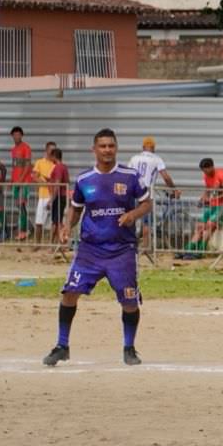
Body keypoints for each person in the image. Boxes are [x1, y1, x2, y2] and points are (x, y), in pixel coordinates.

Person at [43, 129, 151, 366]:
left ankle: (129, 348)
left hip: (122, 250)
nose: (107, 150)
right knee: (70, 293)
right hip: (90, 250)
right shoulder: (85, 179)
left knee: (129, 301)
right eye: (102, 146)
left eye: (111, 146)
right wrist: (66, 226)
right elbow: (76, 208)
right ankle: (62, 346)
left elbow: (146, 203)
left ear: (116, 148)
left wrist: (133, 214)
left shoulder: (130, 176)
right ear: (94, 149)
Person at [127, 137, 180, 252]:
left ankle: (129, 246)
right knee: (147, 221)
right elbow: (166, 177)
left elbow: (128, 175)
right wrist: (174, 189)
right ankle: (146, 248)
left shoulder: (134, 158)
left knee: (131, 217)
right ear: (153, 148)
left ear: (143, 147)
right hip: (147, 192)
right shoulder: (156, 159)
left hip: (133, 191)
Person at [184, 157, 223, 254]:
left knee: (210, 225)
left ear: (211, 167)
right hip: (212, 206)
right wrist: (203, 199)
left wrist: (215, 198)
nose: (205, 172)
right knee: (200, 227)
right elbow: (207, 190)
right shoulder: (206, 176)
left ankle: (200, 250)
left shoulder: (222, 175)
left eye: (206, 170)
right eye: (203, 171)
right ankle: (188, 249)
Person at [8, 125, 31, 238]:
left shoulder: (26, 148)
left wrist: (20, 180)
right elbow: (14, 166)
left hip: (24, 182)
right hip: (16, 182)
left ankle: (23, 230)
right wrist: (11, 180)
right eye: (14, 135)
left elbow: (27, 166)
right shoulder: (13, 150)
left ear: (21, 135)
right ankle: (27, 228)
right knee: (18, 205)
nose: (16, 136)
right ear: (12, 136)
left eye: (18, 134)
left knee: (22, 204)